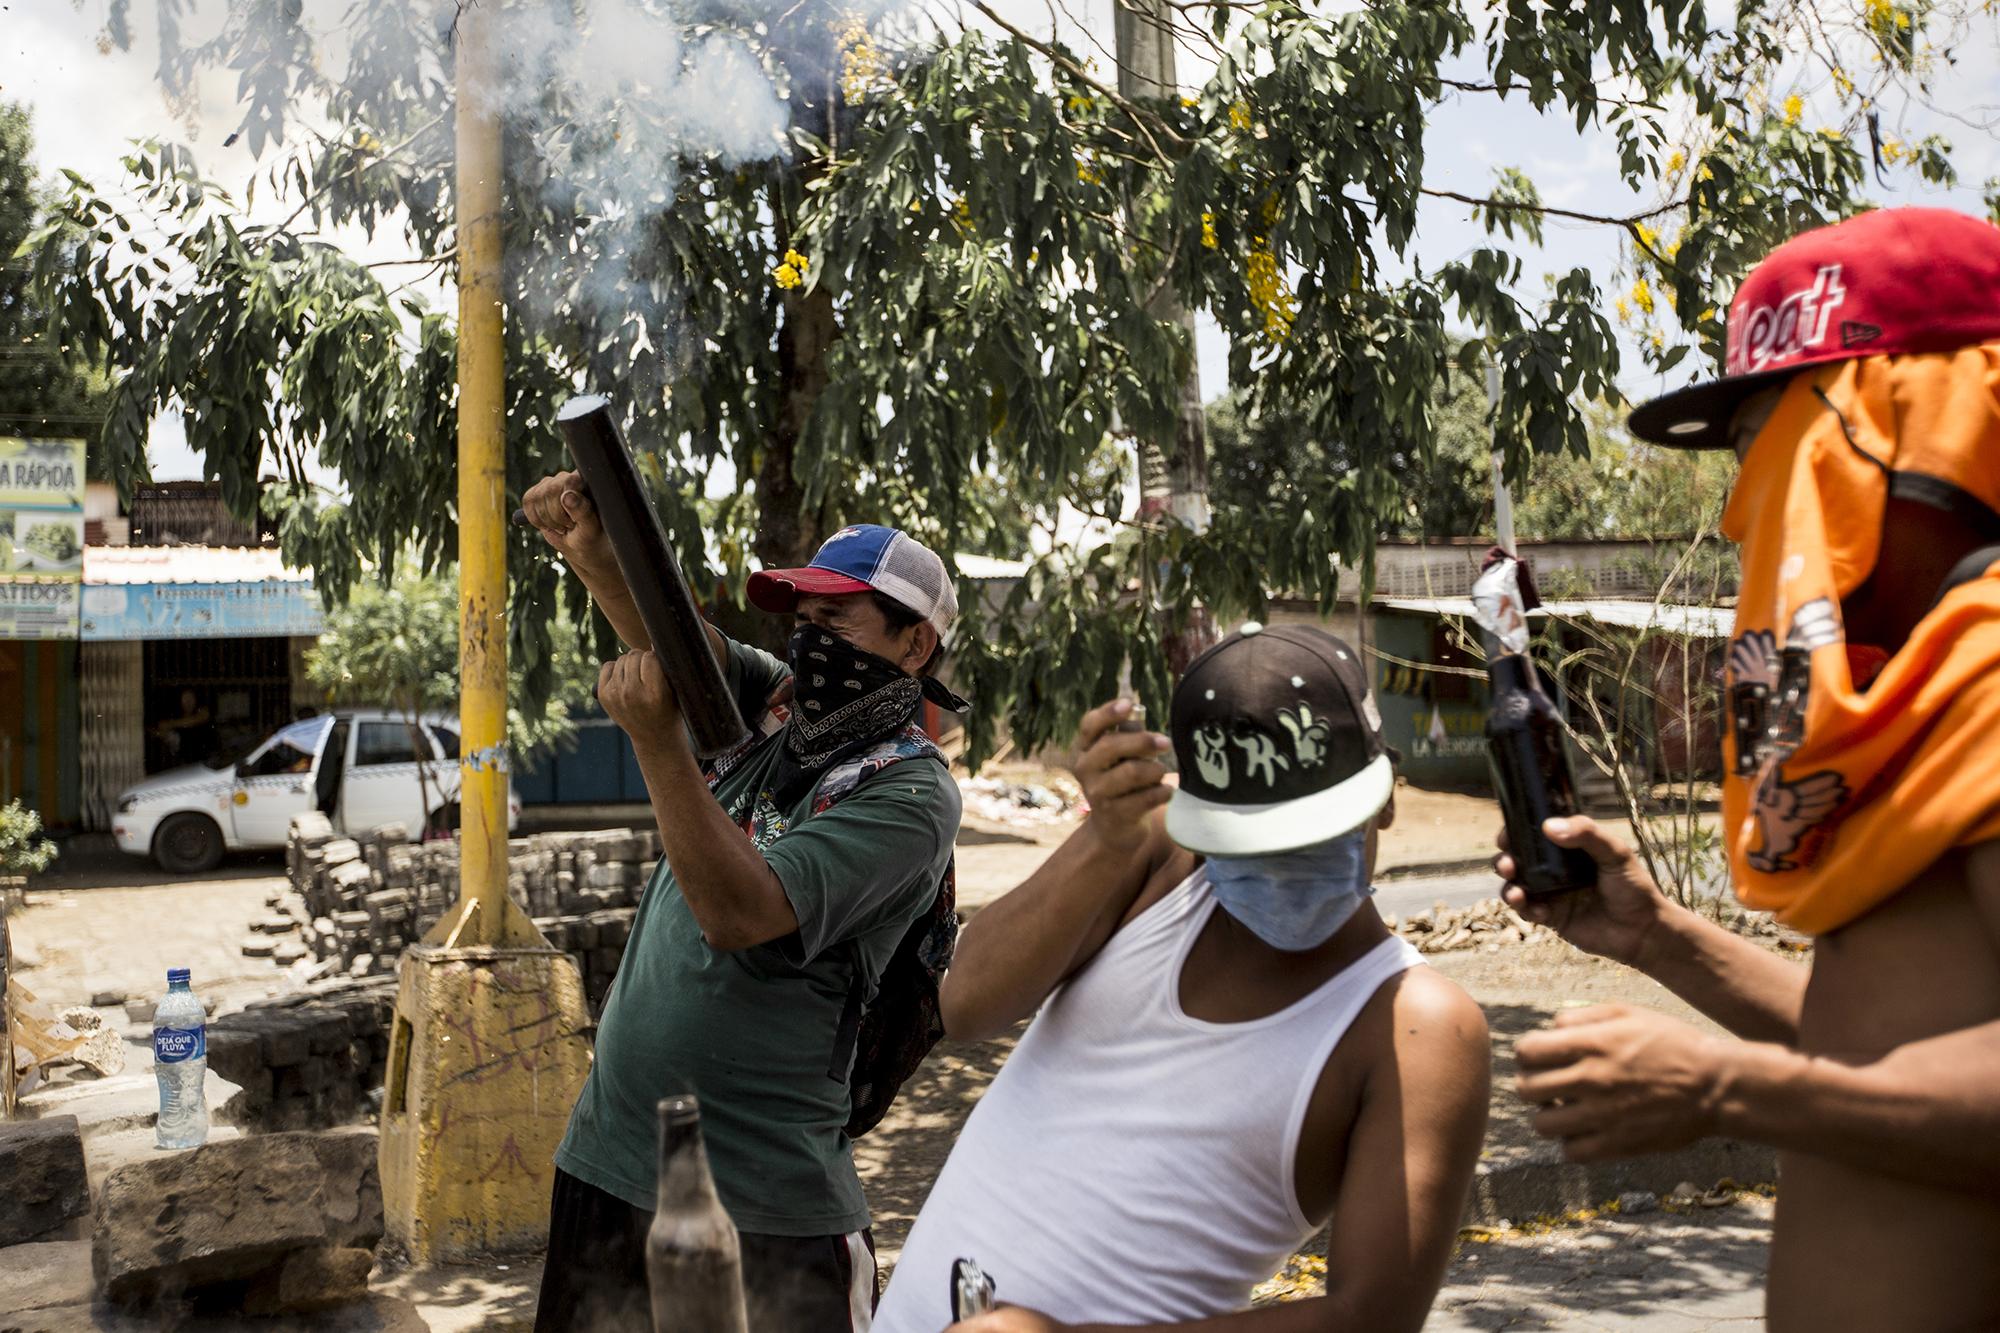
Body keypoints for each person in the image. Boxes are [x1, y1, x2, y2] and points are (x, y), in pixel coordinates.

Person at [1501, 207, 2000, 1331]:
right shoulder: (1914, 696)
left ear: (1930, 435)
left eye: (1776, 453)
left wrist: (1724, 1090)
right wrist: (1656, 938)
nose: (1743, 515)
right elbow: (1876, 1056)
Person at [874, 623, 1490, 1333]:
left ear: (1384, 796)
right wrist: (1106, 839)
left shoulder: (1418, 1029)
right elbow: (964, 1000)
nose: (1279, 865)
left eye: (1308, 835)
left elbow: (1370, 1317)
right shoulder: (1160, 861)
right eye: (1245, 843)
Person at [520, 472, 967, 1333]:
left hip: (760, 1209)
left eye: (835, 620)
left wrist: (657, 745)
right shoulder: (772, 708)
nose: (808, 640)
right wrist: (595, 557)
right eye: (801, 620)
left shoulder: (912, 795)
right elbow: (679, 644)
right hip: (609, 1165)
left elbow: (739, 911)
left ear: (915, 646)